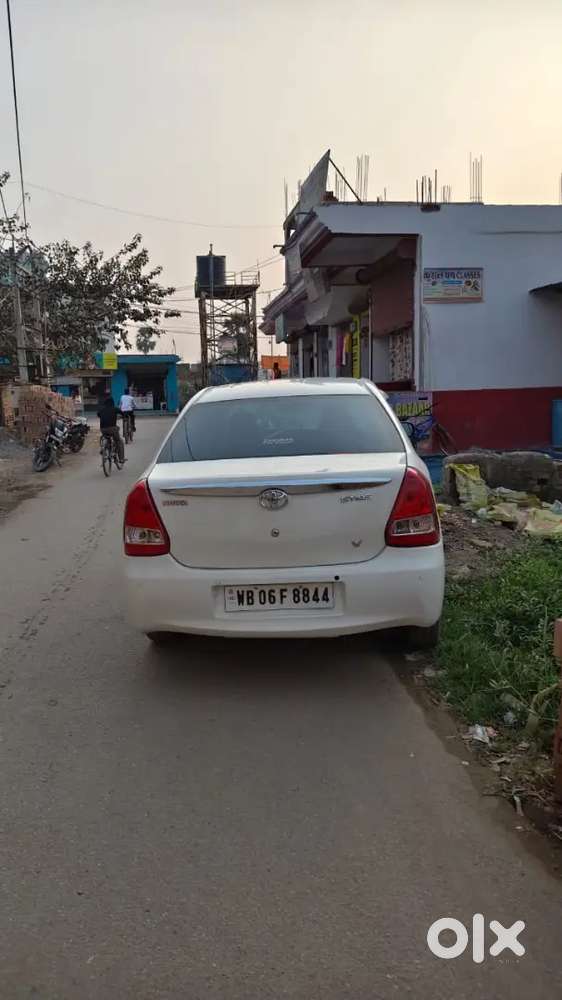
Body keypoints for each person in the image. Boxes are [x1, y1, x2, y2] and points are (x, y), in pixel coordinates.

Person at [97, 395, 125, 463]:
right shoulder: (115, 409)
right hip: (112, 429)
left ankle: (104, 449)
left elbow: (98, 415)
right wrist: (123, 416)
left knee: (106, 436)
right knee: (119, 441)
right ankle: (121, 459)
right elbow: (122, 413)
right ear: (112, 402)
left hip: (103, 429)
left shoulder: (101, 409)